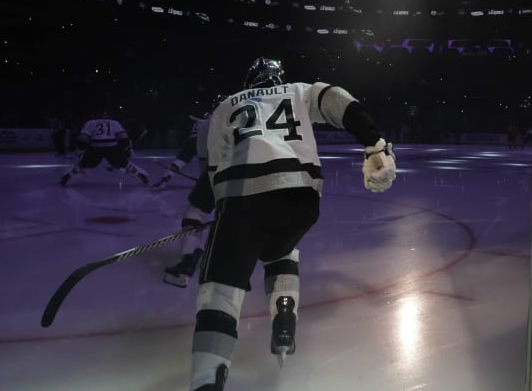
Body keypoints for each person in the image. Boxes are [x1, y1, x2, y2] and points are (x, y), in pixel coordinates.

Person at [189, 57, 396, 391]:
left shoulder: (226, 106)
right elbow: (341, 102)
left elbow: (214, 167)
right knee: (280, 250)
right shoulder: (299, 91)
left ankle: (205, 381)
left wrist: (222, 211)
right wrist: (374, 144)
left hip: (244, 198)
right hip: (301, 201)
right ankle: (285, 318)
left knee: (220, 291)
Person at [162, 98, 222, 288]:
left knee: (196, 212)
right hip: (253, 176)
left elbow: (205, 163)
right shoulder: (249, 116)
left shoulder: (206, 124)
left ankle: (187, 262)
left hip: (218, 171)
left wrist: (206, 183)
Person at [59, 113, 149, 187]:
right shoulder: (114, 122)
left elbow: (83, 139)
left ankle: (69, 175)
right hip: (112, 146)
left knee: (83, 164)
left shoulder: (90, 122)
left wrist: (80, 150)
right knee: (125, 164)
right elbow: (123, 138)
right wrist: (126, 148)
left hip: (95, 146)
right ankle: (138, 174)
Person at [152, 99, 223, 190]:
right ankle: (209, 180)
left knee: (180, 161)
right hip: (203, 141)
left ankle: (165, 178)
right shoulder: (216, 118)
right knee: (211, 162)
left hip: (191, 141)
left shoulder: (204, 119)